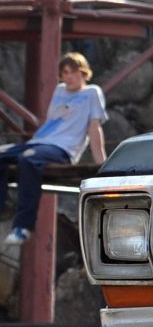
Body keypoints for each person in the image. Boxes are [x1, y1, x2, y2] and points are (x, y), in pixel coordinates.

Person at [2, 53, 106, 245]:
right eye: (65, 72)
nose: (68, 76)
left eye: (73, 72)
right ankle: (2, 206)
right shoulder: (60, 90)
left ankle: (23, 226)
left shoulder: (92, 92)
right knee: (2, 154)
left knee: (28, 159)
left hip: (62, 149)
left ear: (83, 73)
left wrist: (102, 163)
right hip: (39, 142)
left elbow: (94, 127)